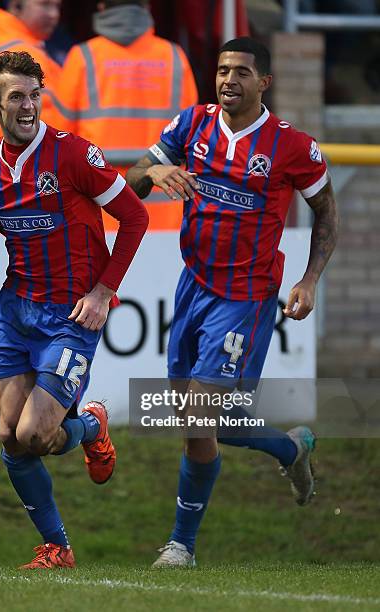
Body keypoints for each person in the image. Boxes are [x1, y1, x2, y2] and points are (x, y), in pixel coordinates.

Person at [126, 37, 338, 567]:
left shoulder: (292, 146)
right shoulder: (192, 125)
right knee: (195, 419)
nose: (228, 81)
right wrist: (153, 173)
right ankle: (291, 449)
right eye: (222, 71)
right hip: (193, 283)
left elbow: (328, 215)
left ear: (263, 83)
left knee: (201, 414)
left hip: (245, 297)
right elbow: (131, 179)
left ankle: (181, 546)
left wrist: (310, 280)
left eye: (241, 72)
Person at [0, 50, 148, 569]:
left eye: (36, 95)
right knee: (12, 439)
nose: (30, 105)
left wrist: (104, 292)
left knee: (36, 435)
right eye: (17, 97)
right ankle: (57, 547)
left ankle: (92, 427)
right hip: (16, 312)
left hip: (71, 316)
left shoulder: (75, 155)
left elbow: (135, 217)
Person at [57, 0, 198, 231]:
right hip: (166, 212)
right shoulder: (174, 57)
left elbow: (58, 140)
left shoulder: (82, 57)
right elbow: (193, 134)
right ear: (147, 7)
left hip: (102, 209)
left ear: (101, 7)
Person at [0, 0, 66, 151]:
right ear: (16, 5)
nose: (54, 14)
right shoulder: (22, 53)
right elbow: (50, 124)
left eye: (57, 6)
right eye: (45, 5)